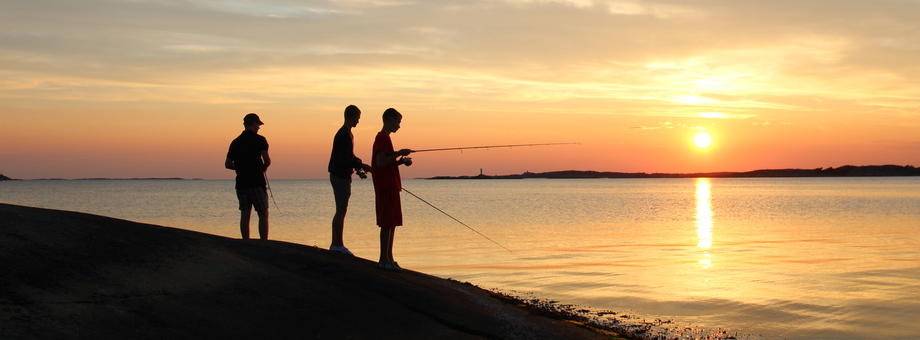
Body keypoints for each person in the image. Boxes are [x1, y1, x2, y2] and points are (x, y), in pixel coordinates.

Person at [371, 108, 413, 272]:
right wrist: (398, 153)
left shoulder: (385, 138)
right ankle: (383, 259)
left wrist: (401, 161)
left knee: (393, 222)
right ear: (390, 119)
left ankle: (389, 258)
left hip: (391, 186)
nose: (399, 126)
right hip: (386, 186)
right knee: (387, 223)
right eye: (398, 122)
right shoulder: (382, 137)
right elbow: (380, 162)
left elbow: (386, 162)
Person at [327, 105, 372, 255]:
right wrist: (361, 165)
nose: (358, 121)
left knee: (340, 209)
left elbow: (349, 156)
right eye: (358, 118)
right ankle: (337, 245)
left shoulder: (346, 134)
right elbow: (343, 159)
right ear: (352, 116)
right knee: (341, 209)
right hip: (340, 176)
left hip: (339, 175)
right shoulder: (344, 135)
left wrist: (359, 162)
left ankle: (336, 243)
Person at [225, 113, 271, 240]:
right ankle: (264, 243)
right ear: (254, 123)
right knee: (263, 212)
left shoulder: (235, 142)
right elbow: (267, 161)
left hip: (241, 183)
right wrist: (262, 167)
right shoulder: (260, 140)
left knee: (245, 214)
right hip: (256, 181)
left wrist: (241, 167)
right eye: (258, 124)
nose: (259, 128)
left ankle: (245, 242)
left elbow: (228, 165)